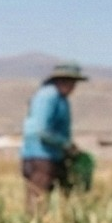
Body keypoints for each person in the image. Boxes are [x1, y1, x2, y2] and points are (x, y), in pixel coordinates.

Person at [20, 62, 88, 209]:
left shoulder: (60, 98)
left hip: (52, 155)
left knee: (56, 195)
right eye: (71, 82)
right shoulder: (48, 97)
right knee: (38, 197)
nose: (73, 87)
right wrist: (65, 144)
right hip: (41, 156)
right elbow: (41, 130)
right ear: (61, 81)